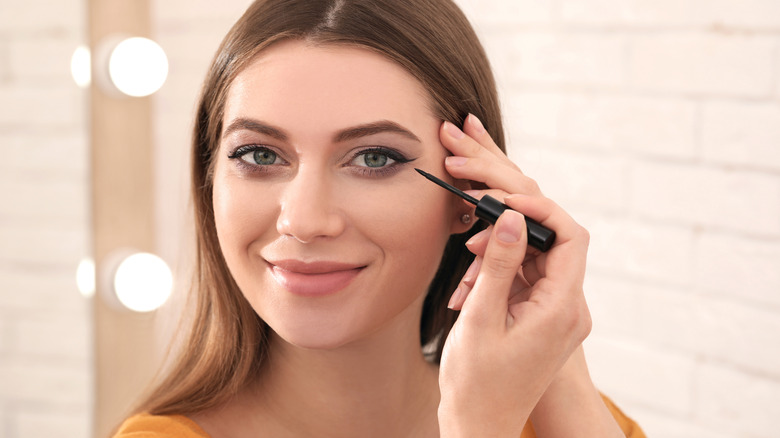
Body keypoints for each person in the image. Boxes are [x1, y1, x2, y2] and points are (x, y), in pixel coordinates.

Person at [116, 0, 646, 436]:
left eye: (374, 158)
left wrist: (561, 371)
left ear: (471, 195)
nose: (302, 221)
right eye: (259, 155)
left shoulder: (576, 423)